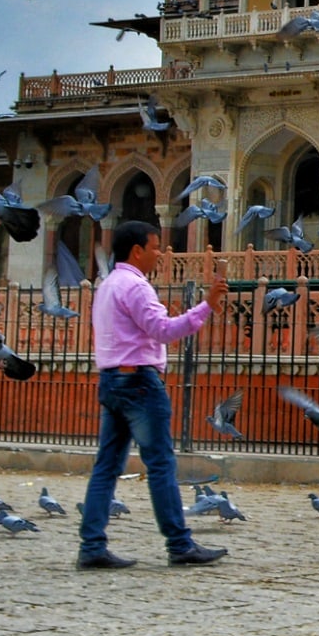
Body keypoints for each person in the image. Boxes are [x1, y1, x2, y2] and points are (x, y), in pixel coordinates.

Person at [80, 219, 225, 571]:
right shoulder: (136, 287)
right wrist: (206, 305)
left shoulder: (107, 285)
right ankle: (179, 544)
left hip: (111, 380)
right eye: (156, 247)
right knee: (160, 463)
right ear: (137, 251)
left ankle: (92, 545)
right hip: (140, 383)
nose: (160, 254)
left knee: (106, 466)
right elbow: (163, 330)